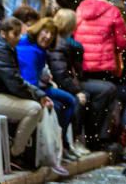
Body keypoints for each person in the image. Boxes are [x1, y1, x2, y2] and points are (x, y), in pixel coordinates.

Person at [0, 18, 51, 167]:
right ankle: (15, 153)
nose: (19, 38)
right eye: (15, 34)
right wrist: (37, 97)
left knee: (36, 106)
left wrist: (39, 94)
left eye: (20, 34)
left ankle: (15, 151)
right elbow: (14, 82)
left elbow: (15, 80)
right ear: (3, 33)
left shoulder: (0, 46)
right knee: (34, 109)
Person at [48, 9, 117, 152]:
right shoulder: (61, 45)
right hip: (65, 84)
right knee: (101, 91)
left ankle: (95, 135)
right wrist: (77, 91)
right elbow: (61, 74)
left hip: (72, 82)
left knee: (107, 89)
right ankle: (89, 136)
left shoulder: (66, 43)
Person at [16, 18, 79, 159]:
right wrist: (41, 96)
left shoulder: (39, 49)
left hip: (41, 86)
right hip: (32, 89)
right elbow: (29, 79)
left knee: (70, 100)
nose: (48, 37)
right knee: (61, 104)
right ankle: (60, 143)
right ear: (38, 30)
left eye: (51, 34)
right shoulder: (29, 49)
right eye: (46, 32)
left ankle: (62, 142)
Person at [75, 0, 126, 80]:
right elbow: (122, 42)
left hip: (81, 61)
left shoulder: (82, 6)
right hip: (103, 65)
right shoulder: (114, 11)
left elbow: (74, 30)